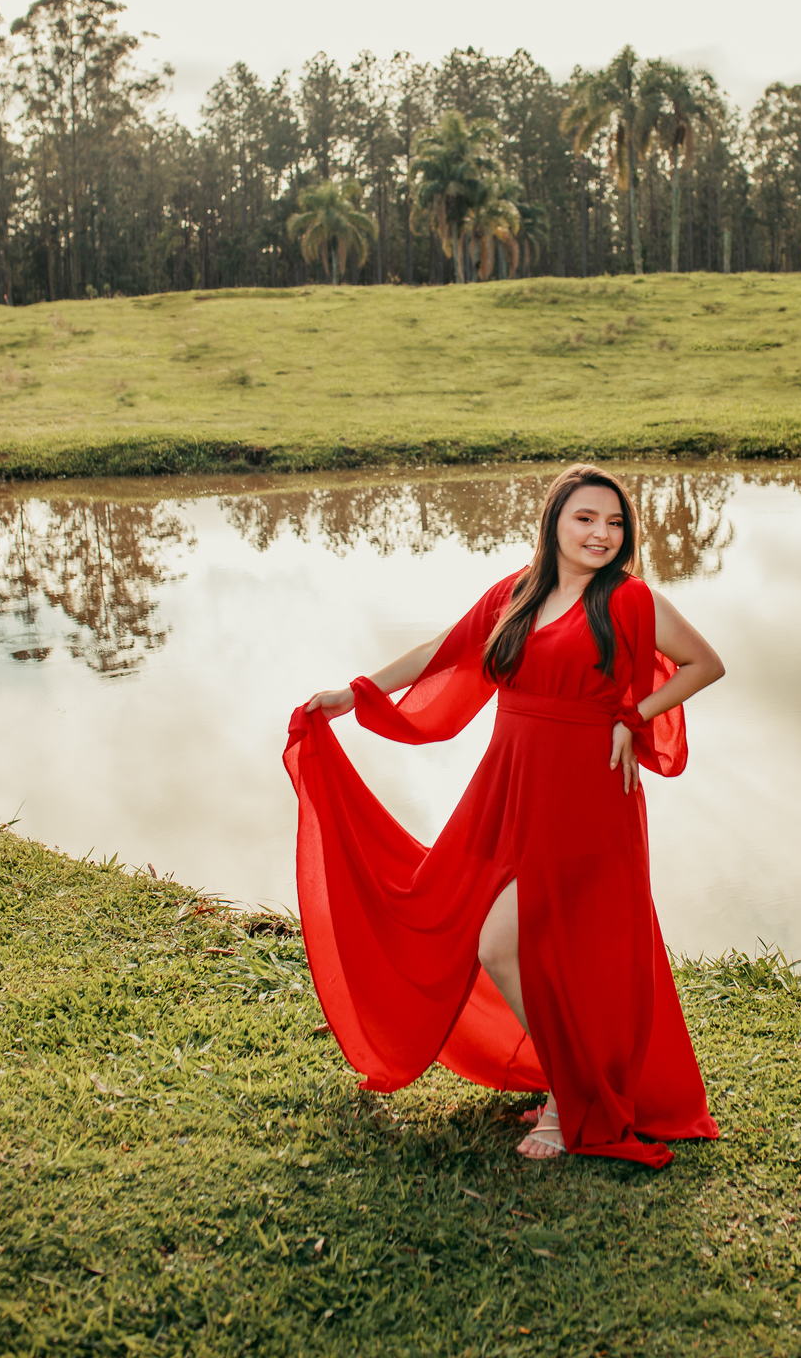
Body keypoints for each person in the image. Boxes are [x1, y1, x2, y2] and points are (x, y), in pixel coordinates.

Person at [284, 463, 725, 1166]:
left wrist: (634, 716)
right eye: (586, 518)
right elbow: (445, 650)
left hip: (586, 794)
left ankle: (570, 1096)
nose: (602, 534)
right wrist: (357, 692)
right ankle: (571, 1081)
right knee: (481, 925)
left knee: (501, 944)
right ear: (554, 522)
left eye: (615, 523)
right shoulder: (518, 593)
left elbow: (705, 664)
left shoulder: (630, 599)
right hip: (510, 785)